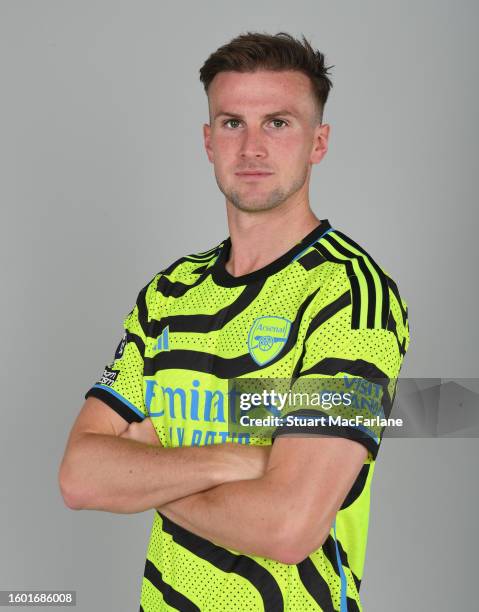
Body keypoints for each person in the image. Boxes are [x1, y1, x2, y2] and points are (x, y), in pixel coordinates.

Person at [59, 32, 410, 611]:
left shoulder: (350, 295)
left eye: (277, 123)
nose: (251, 147)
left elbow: (289, 527)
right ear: (208, 140)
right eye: (231, 123)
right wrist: (239, 460)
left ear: (318, 142)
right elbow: (80, 475)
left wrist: (149, 472)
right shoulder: (169, 293)